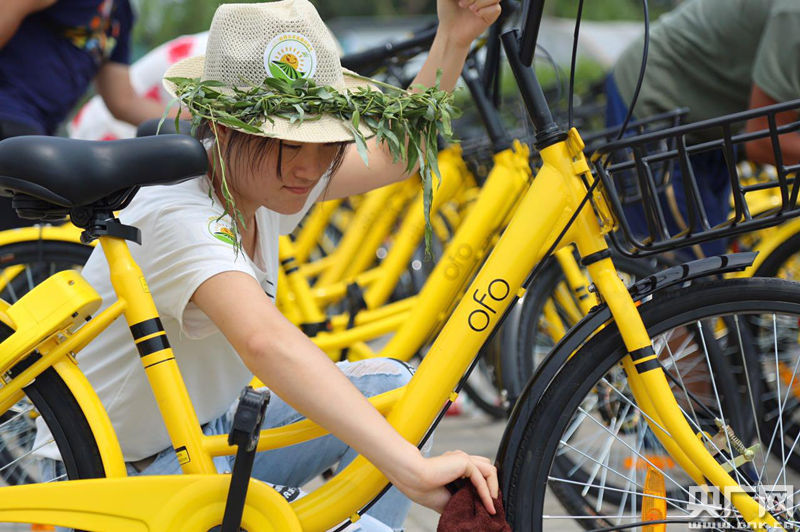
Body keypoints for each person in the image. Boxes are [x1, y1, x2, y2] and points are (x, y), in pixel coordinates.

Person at [37, 0, 503, 530]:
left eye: (324, 139)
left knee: (394, 390)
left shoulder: (262, 179)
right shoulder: (178, 210)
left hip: (201, 434)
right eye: (284, 140)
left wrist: (454, 37)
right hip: (113, 482)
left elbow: (399, 154)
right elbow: (264, 340)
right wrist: (412, 470)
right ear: (222, 126)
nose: (308, 166)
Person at [606, 0, 800, 257]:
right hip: (655, 104)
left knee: (716, 251)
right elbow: (763, 139)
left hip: (709, 124)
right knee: (697, 265)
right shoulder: (793, 14)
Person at [0, 0, 177, 229]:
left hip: (35, 130)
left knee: (48, 232)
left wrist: (201, 118)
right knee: (35, 231)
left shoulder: (119, 12)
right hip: (9, 115)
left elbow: (123, 101)